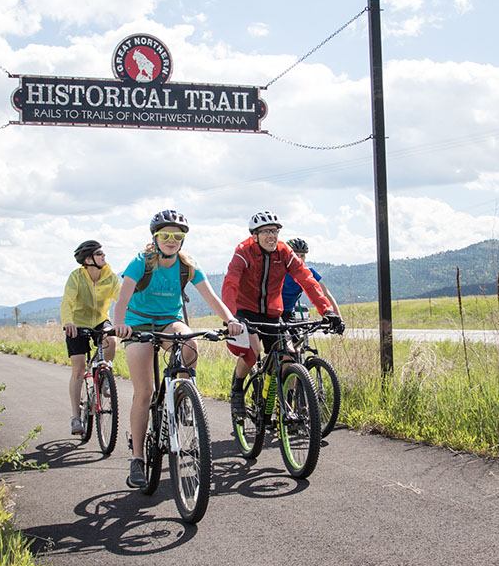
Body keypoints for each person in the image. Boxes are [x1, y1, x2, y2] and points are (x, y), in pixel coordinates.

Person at [109, 209, 243, 490]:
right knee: (144, 392)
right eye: (165, 235)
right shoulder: (141, 262)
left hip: (170, 321)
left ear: (183, 239)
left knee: (190, 345)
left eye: (177, 236)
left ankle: (183, 397)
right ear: (155, 237)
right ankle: (137, 458)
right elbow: (122, 299)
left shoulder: (187, 265)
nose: (171, 240)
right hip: (138, 324)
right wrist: (119, 325)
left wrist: (229, 320)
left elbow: (211, 297)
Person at [221, 211, 345, 419]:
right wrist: (230, 317)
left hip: (272, 313)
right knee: (252, 351)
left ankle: (281, 402)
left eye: (275, 231)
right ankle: (237, 388)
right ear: (255, 235)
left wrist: (327, 311)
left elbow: (307, 280)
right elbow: (231, 284)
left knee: (289, 356)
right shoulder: (243, 252)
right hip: (245, 311)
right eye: (266, 231)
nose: (272, 236)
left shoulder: (284, 252)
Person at [60, 239, 120, 436]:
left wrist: (128, 321)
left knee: (111, 341)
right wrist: (68, 322)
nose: (104, 256)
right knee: (78, 370)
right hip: (77, 324)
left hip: (100, 321)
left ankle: (103, 376)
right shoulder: (76, 277)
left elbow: (122, 300)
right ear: (88, 260)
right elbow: (67, 302)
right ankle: (76, 417)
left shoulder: (110, 277)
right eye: (99, 254)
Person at [280, 237, 341, 323]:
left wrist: (338, 318)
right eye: (295, 255)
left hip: (288, 312)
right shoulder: (279, 270)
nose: (299, 259)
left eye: (302, 256)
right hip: (271, 312)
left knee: (296, 335)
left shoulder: (308, 272)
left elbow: (326, 294)